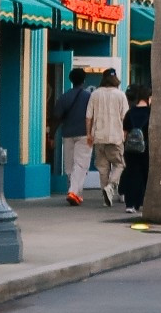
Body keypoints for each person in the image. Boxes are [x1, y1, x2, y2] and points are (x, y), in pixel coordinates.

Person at [85, 68, 127, 207]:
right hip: (116, 136)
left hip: (99, 136)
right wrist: (125, 134)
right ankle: (111, 186)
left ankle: (105, 197)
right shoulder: (120, 95)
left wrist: (89, 134)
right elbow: (125, 117)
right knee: (119, 164)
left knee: (102, 168)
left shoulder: (95, 94)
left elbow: (88, 116)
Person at [51, 66, 92, 206]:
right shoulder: (89, 97)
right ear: (84, 80)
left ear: (70, 80)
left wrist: (51, 136)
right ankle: (73, 191)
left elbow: (56, 117)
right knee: (80, 164)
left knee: (69, 165)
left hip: (67, 134)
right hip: (84, 134)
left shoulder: (64, 97)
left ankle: (75, 192)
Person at [120, 84, 151, 212]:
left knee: (132, 174)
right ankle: (140, 202)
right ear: (149, 98)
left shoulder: (130, 112)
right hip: (146, 148)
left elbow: (125, 132)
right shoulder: (151, 113)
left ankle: (130, 204)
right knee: (144, 175)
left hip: (130, 149)